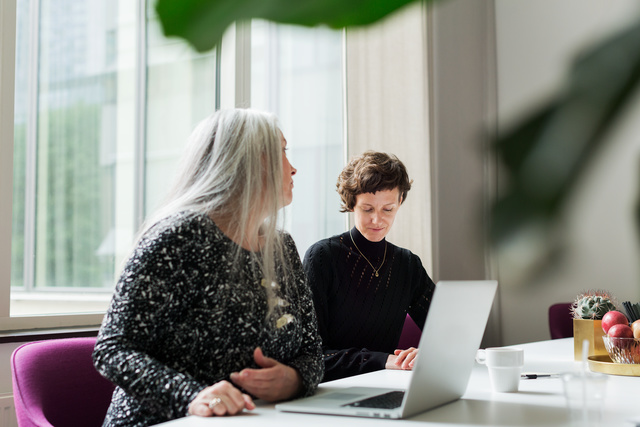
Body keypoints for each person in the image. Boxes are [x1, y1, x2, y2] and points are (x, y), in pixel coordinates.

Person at [93, 109, 323, 426]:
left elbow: (312, 350)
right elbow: (113, 349)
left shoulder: (282, 246)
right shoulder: (179, 236)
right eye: (282, 152)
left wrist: (295, 379)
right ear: (251, 162)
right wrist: (192, 396)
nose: (293, 168)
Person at [303, 151, 436, 382]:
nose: (378, 220)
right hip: (334, 389)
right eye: (367, 209)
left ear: (400, 201)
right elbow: (310, 355)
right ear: (351, 203)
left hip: (387, 384)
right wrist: (384, 360)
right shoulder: (323, 257)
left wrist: (429, 352)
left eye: (388, 209)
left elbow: (446, 330)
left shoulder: (407, 264)